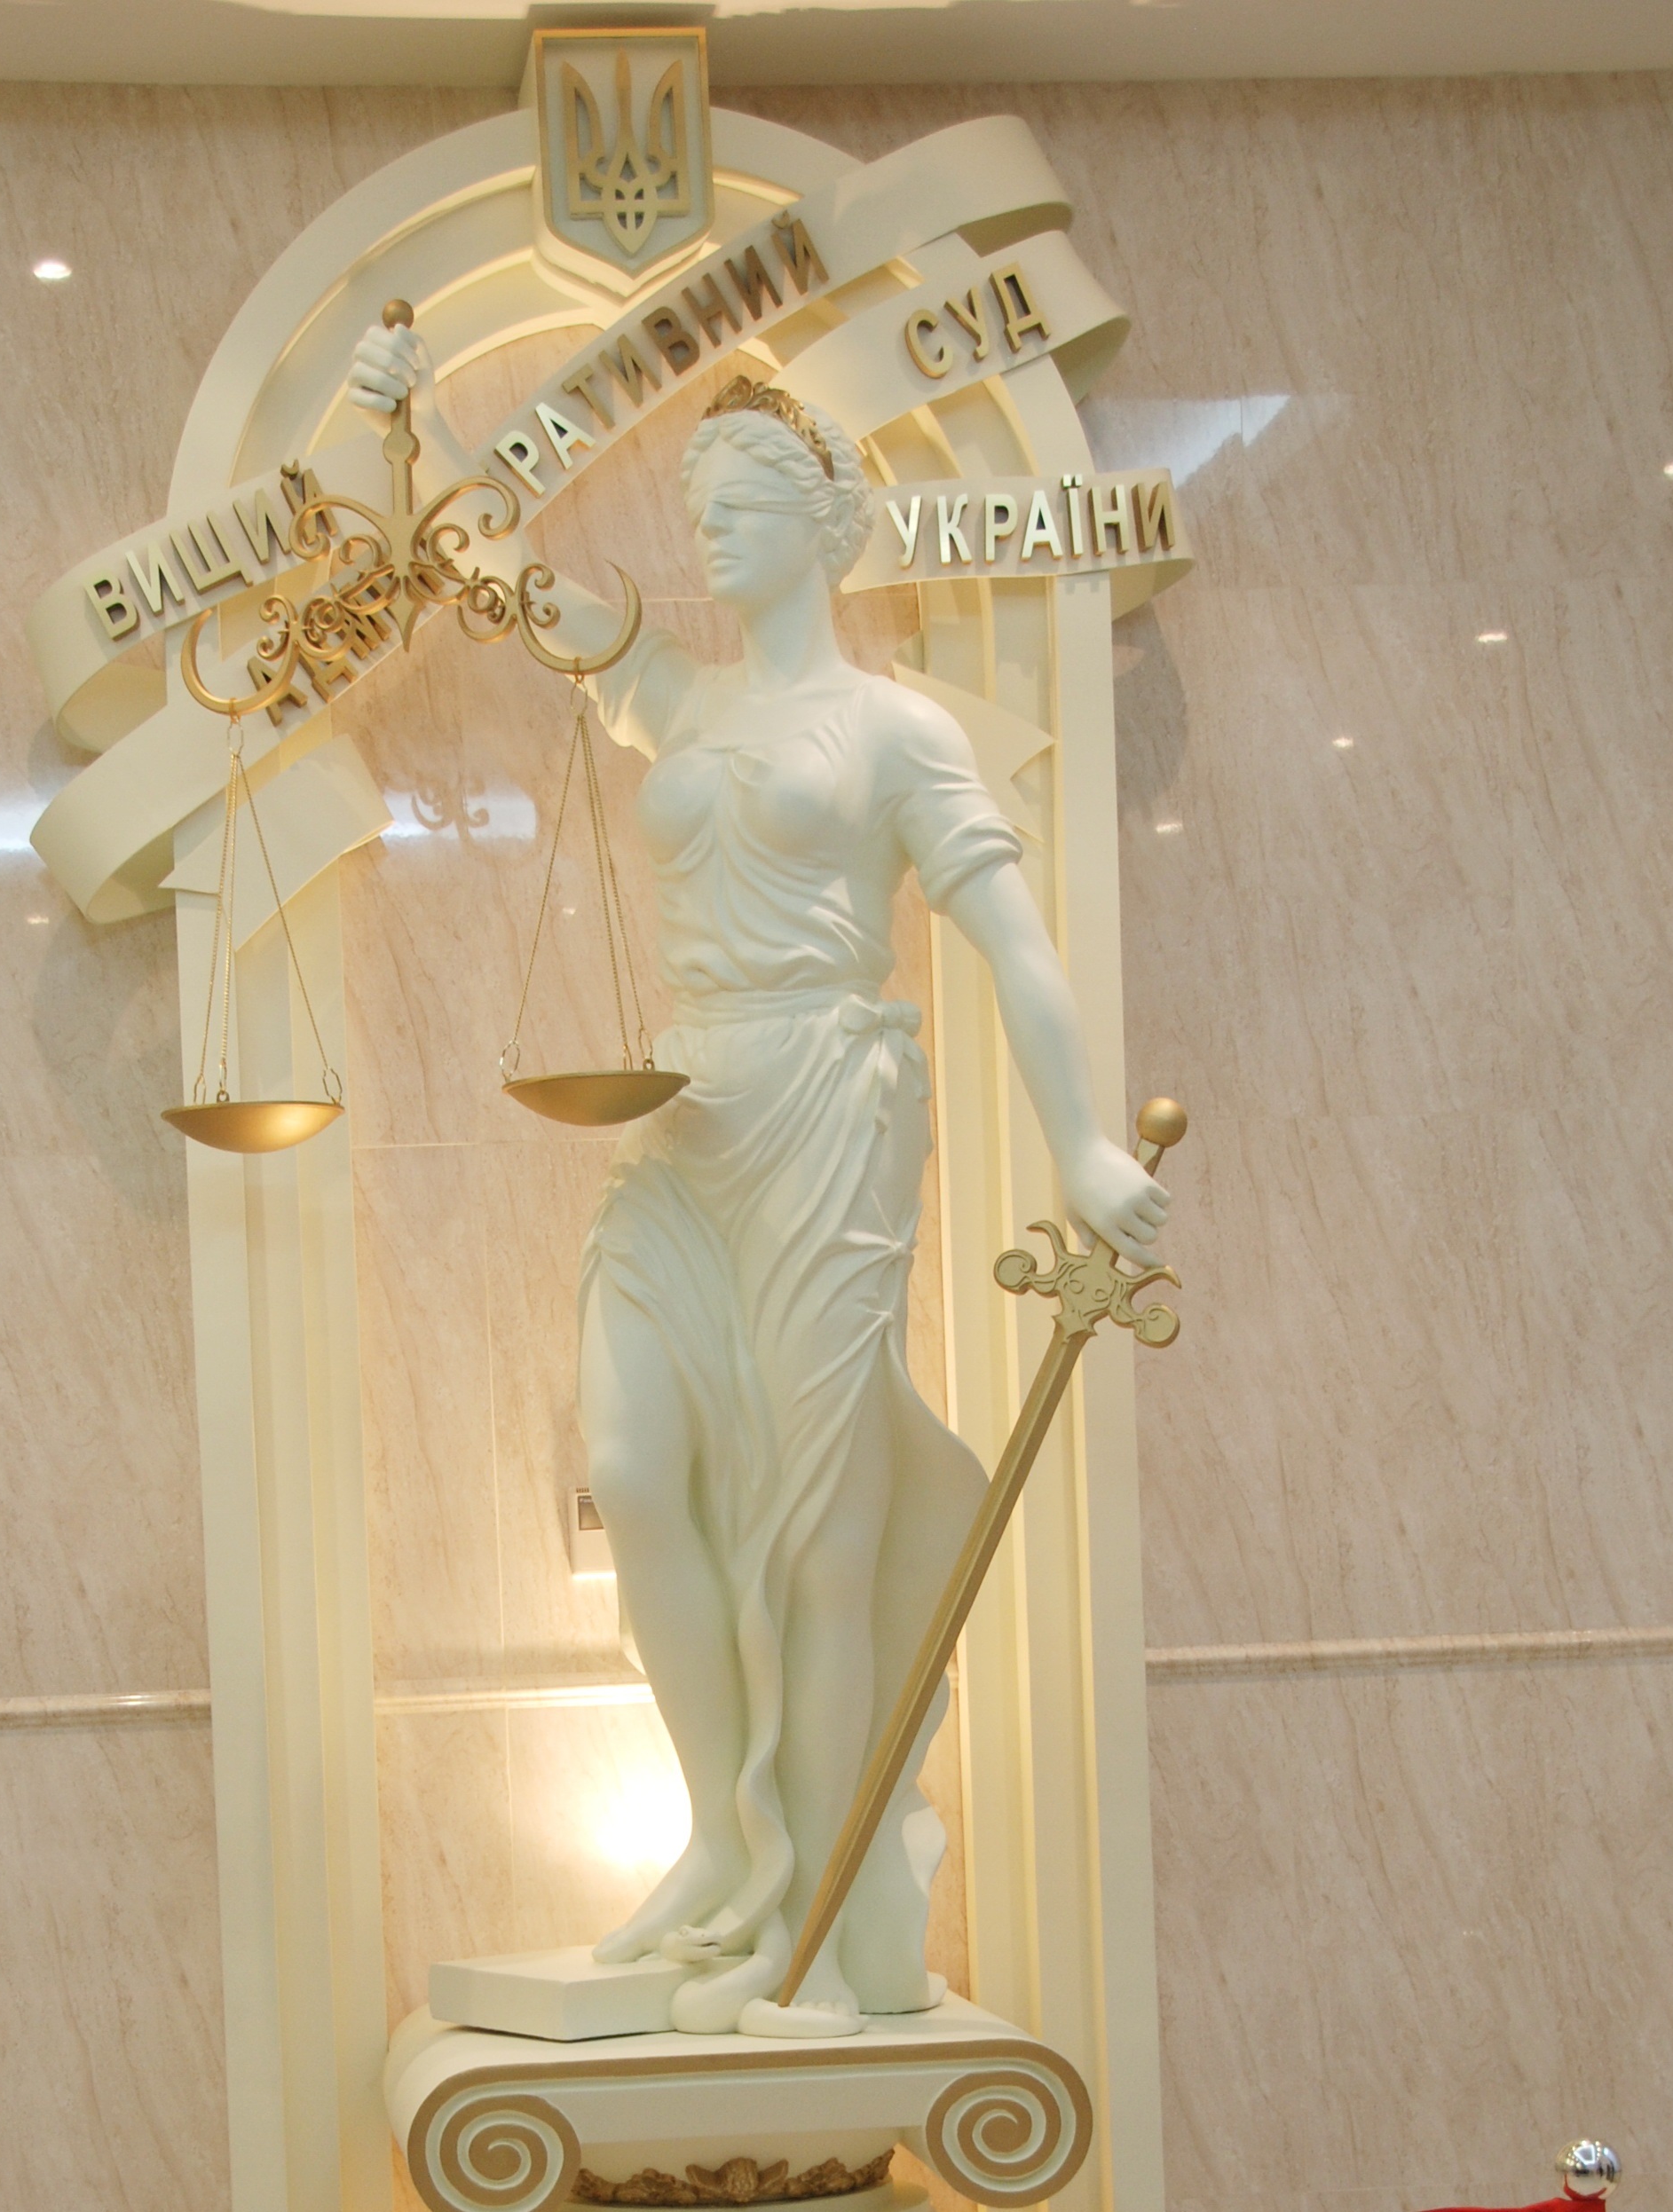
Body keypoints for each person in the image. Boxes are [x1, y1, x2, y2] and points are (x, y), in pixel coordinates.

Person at [350, 324, 1168, 2038]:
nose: (706, 528)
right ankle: (726, 1839)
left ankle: (817, 1912)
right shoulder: (679, 696)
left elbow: (1011, 942)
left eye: (738, 500)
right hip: (684, 1110)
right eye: (698, 501)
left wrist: (1082, 1139)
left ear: (822, 521)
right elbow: (505, 574)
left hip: (824, 1105)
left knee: (817, 1536)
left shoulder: (897, 729)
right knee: (633, 1464)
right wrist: (410, 424)